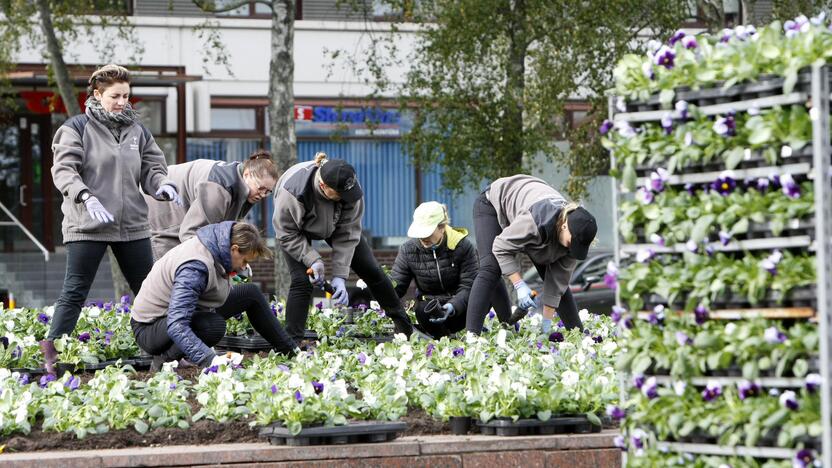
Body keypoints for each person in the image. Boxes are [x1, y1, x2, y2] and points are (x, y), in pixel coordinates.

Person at [41, 64, 182, 375]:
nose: (122, 102)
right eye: (115, 96)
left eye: (126, 96)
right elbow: (64, 170)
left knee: (149, 288)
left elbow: (152, 169)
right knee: (76, 289)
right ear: (97, 95)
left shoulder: (138, 131)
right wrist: (84, 196)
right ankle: (52, 351)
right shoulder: (76, 128)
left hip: (131, 224)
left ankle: (167, 349)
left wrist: (163, 185)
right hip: (88, 224)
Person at [272, 152, 417, 341]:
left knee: (372, 271)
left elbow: (348, 234)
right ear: (324, 186)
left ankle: (406, 329)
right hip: (295, 231)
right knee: (301, 281)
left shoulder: (350, 189)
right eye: (340, 194)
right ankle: (292, 344)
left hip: (336, 223)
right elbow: (286, 233)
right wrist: (313, 260)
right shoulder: (292, 192)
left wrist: (340, 275)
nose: (347, 197)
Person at [130, 221, 296, 370]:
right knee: (212, 326)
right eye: (244, 261)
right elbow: (177, 323)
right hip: (150, 327)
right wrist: (210, 360)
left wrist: (233, 272)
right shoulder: (194, 268)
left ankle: (291, 352)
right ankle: (164, 360)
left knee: (250, 293)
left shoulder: (217, 247)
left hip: (177, 314)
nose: (244, 267)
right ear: (234, 249)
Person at [465, 174, 597, 335]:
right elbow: (500, 247)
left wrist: (546, 325)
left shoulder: (572, 240)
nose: (573, 249)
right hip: (493, 203)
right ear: (564, 226)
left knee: (558, 281)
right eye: (572, 242)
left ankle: (579, 335)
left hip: (536, 214)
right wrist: (519, 285)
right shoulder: (535, 221)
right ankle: (471, 337)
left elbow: (556, 286)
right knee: (491, 268)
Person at [145, 150, 279, 260]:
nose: (262, 195)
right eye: (260, 188)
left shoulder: (241, 185)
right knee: (173, 270)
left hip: (178, 210)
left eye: (268, 191)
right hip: (160, 205)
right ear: (247, 174)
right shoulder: (218, 189)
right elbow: (190, 234)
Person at [391, 201, 489, 338]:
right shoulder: (408, 250)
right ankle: (441, 337)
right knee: (422, 309)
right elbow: (397, 284)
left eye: (428, 232)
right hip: (429, 311)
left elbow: (469, 285)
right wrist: (380, 286)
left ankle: (476, 334)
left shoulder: (463, 246)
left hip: (460, 309)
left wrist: (452, 306)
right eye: (420, 232)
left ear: (442, 227)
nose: (423, 238)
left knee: (490, 286)